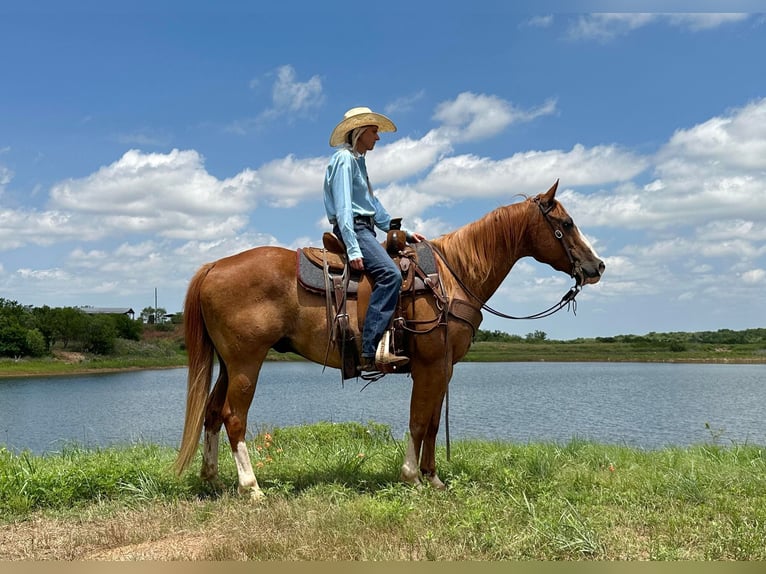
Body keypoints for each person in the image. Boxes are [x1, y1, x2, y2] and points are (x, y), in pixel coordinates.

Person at [323, 107, 426, 371]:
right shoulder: (344, 159)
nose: (377, 138)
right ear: (359, 132)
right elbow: (345, 207)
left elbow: (374, 207)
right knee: (391, 275)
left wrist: (405, 233)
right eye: (374, 131)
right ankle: (370, 349)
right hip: (355, 229)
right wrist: (354, 248)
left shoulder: (358, 161)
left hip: (364, 227)